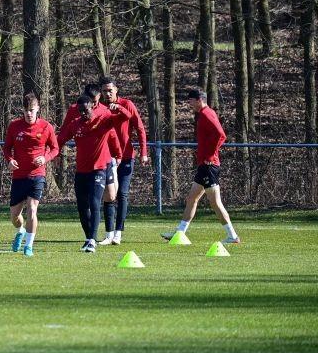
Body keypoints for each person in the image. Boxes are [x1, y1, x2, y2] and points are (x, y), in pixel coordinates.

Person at [162, 88, 240, 244]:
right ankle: (180, 233)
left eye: (191, 101)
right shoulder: (203, 114)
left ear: (199, 100)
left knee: (215, 202)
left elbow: (221, 135)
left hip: (209, 166)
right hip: (205, 166)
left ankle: (232, 236)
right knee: (192, 198)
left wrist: (210, 155)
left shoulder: (206, 114)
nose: (189, 104)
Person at [56, 95, 132, 252]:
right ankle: (88, 237)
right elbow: (60, 138)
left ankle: (92, 239)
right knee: (82, 206)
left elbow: (127, 116)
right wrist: (55, 154)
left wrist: (118, 108)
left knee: (94, 202)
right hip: (81, 171)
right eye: (80, 111)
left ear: (92, 107)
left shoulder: (103, 120)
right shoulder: (75, 125)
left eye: (86, 110)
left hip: (99, 169)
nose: (83, 114)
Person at [2, 92, 59, 257]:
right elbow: (6, 148)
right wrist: (10, 160)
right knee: (15, 216)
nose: (29, 113)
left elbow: (55, 149)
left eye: (32, 110)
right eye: (26, 110)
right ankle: (20, 231)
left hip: (37, 176)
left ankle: (29, 246)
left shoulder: (46, 127)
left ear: (38, 109)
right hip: (19, 176)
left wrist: (45, 157)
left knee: (32, 210)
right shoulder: (14, 126)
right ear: (23, 109)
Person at [98, 77, 150, 245]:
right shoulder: (99, 107)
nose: (107, 93)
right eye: (104, 91)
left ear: (116, 89)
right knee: (108, 196)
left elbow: (140, 128)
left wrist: (143, 152)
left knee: (122, 194)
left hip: (126, 157)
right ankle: (109, 234)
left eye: (110, 90)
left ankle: (118, 233)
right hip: (107, 158)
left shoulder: (127, 104)